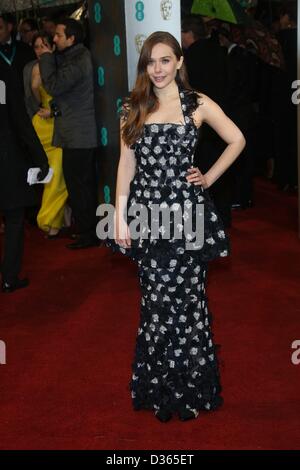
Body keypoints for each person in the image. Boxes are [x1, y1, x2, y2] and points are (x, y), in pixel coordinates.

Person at [106, 31, 245, 422]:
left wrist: (209, 178)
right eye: (151, 61)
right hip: (148, 218)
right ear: (144, 66)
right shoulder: (132, 107)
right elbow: (126, 164)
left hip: (187, 219)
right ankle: (158, 386)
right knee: (154, 303)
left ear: (180, 62)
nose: (158, 69)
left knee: (189, 303)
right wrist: (119, 215)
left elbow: (236, 139)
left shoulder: (195, 104)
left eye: (166, 60)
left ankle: (191, 387)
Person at [39, 18, 99, 249]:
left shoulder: (79, 60)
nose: (54, 39)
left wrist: (45, 58)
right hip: (74, 134)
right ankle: (86, 230)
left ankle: (89, 234)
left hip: (80, 136)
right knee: (77, 185)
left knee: (80, 185)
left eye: (59, 36)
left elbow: (53, 86)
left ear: (72, 39)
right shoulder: (73, 57)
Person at [0, 67, 49, 293]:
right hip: (7, 159)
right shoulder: (4, 72)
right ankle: (9, 277)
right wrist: (40, 158)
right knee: (14, 220)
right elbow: (19, 118)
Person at [23, 32, 68, 238]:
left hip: (59, 125)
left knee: (58, 174)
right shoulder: (33, 68)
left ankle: (49, 220)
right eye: (36, 47)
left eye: (44, 46)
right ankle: (54, 219)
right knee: (47, 175)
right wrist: (36, 85)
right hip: (41, 125)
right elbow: (32, 94)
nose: (40, 50)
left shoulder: (62, 65)